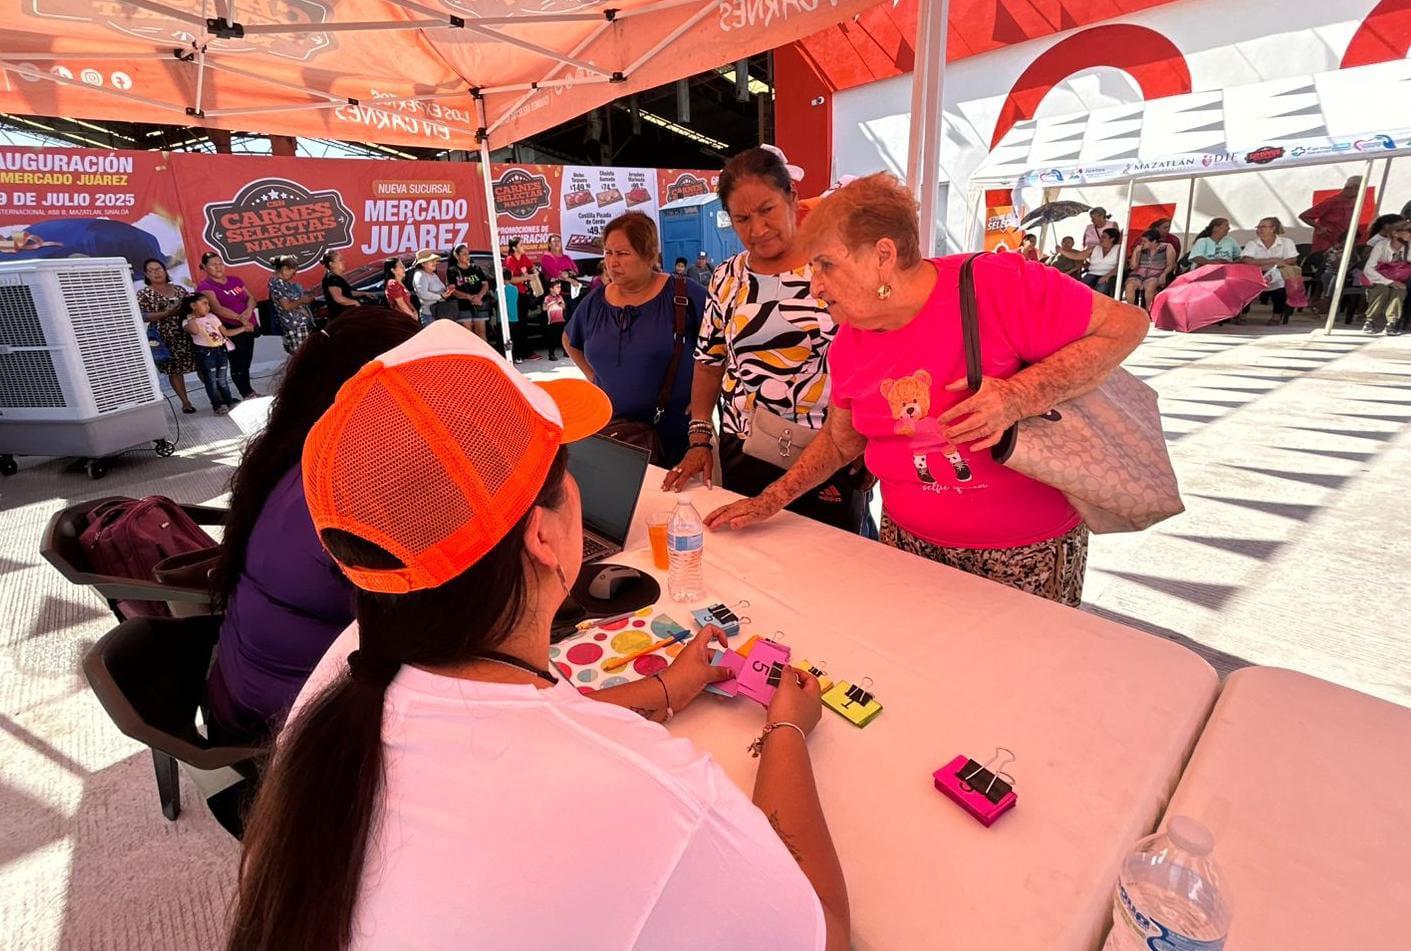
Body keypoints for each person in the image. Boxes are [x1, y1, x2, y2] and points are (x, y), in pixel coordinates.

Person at [225, 320, 850, 951]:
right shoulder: (646, 799)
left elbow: (497, 728)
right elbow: (823, 933)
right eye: (566, 468)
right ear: (544, 536)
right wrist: (788, 730)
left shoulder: (346, 669)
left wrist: (664, 688)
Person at [703, 173, 1149, 606]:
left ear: (882, 256)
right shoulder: (851, 340)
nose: (815, 285)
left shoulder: (996, 284)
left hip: (1022, 554)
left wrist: (1020, 395)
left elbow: (1128, 326)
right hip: (908, 547)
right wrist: (772, 499)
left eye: (826, 265)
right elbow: (842, 441)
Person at [204, 306, 419, 745]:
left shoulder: (293, 450)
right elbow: (422, 620)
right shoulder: (345, 486)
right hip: (288, 721)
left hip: (245, 687)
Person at [663, 145, 868, 533]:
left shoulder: (834, 266)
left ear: (791, 196)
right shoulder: (726, 278)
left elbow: (874, 359)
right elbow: (708, 360)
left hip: (831, 449)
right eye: (741, 218)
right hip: (746, 450)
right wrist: (700, 437)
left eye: (767, 210)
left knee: (835, 567)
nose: (757, 229)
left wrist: (870, 437)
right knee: (753, 561)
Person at [564, 212, 707, 466]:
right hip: (614, 432)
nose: (612, 262)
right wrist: (593, 377)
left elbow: (723, 347)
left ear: (650, 255)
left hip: (674, 435)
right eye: (608, 252)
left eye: (623, 253)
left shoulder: (686, 296)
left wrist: (705, 398)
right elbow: (569, 340)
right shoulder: (595, 301)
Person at [137, 258, 198, 414]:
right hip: (163, 336)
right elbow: (141, 315)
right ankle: (186, 402)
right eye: (151, 270)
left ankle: (216, 397)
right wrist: (165, 313)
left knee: (202, 364)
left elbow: (190, 308)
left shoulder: (179, 289)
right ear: (146, 274)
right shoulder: (144, 294)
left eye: (158, 269)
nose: (156, 273)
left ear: (165, 270)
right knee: (174, 370)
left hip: (186, 333)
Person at [197, 252, 260, 399]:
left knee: (246, 359)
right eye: (213, 265)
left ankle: (248, 390)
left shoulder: (235, 280)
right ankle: (246, 392)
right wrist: (241, 318)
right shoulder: (205, 287)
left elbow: (251, 297)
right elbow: (217, 308)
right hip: (231, 328)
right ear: (205, 267)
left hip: (248, 326)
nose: (218, 267)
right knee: (238, 362)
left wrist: (248, 311)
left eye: (220, 263)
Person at [181, 294, 237, 415]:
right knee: (210, 380)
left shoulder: (212, 316)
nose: (208, 306)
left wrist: (244, 328)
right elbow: (195, 331)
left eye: (208, 303)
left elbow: (226, 332)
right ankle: (217, 405)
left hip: (220, 350)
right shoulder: (187, 321)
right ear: (193, 306)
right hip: (205, 353)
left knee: (222, 379)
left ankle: (229, 401)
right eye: (204, 303)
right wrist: (191, 317)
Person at [1240, 217, 1300, 325]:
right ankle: (1242, 314)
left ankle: (1276, 315)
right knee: (1244, 283)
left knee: (1281, 283)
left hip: (1278, 273)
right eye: (1258, 227)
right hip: (1256, 273)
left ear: (1273, 228)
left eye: (1262, 227)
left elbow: (1291, 260)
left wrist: (1263, 264)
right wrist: (1273, 260)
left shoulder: (1286, 242)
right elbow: (1247, 260)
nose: (1259, 229)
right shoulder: (1253, 243)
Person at [1361, 217, 1410, 336]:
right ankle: (1370, 321)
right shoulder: (1381, 246)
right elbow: (1368, 269)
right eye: (1409, 230)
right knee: (1381, 290)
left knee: (1400, 291)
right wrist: (1388, 282)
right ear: (1395, 233)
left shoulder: (1408, 247)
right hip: (1377, 278)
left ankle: (1391, 323)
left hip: (1397, 279)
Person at [1300, 176, 1362, 256]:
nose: (1360, 193)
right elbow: (1304, 216)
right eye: (1359, 190)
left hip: (1342, 242)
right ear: (1352, 188)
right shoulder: (1332, 201)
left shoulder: (1352, 202)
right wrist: (1320, 228)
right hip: (1327, 243)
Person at [267, 256, 315, 354]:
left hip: (297, 325)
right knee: (303, 355)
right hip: (295, 326)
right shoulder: (278, 284)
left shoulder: (279, 283)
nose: (293, 275)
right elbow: (286, 306)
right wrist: (302, 300)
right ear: (284, 269)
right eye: (292, 272)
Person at [446, 244, 493, 339]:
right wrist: (470, 297)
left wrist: (479, 296)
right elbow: (453, 290)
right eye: (464, 254)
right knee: (468, 335)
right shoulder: (452, 271)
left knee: (481, 333)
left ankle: (483, 353)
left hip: (479, 304)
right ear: (456, 256)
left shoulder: (476, 268)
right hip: (463, 306)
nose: (467, 256)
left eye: (468, 254)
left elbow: (485, 284)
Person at [1123, 229, 1175, 311]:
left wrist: (1164, 275)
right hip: (1138, 274)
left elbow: (1171, 264)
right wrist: (1136, 253)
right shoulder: (1140, 249)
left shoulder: (1167, 247)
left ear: (1154, 241)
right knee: (1130, 286)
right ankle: (1132, 310)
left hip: (1156, 273)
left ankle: (1149, 311)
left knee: (1150, 286)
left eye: (1144, 241)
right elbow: (1133, 267)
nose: (1142, 243)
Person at [320, 250, 368, 323]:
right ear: (331, 264)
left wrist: (364, 293)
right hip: (342, 320)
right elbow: (338, 298)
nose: (343, 262)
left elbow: (347, 293)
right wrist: (355, 302)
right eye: (340, 260)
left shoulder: (334, 278)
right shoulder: (332, 278)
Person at [410, 248, 455, 326]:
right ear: (423, 264)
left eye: (434, 260)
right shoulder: (420, 275)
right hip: (430, 315)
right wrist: (440, 296)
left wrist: (447, 290)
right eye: (431, 261)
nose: (434, 262)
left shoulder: (433, 274)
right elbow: (423, 294)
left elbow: (441, 290)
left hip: (439, 312)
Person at [1074, 227, 1121, 296]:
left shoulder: (1119, 249)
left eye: (1104, 237)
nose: (1101, 239)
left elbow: (1120, 266)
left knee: (1100, 289)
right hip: (1092, 273)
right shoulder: (1095, 248)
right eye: (1101, 237)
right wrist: (1061, 251)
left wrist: (1107, 276)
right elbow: (1078, 255)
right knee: (1079, 288)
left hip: (1109, 275)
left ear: (1112, 239)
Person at [541, 279, 566, 359]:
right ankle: (551, 354)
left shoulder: (560, 297)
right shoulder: (547, 298)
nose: (559, 289)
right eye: (557, 287)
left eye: (560, 287)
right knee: (553, 338)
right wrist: (551, 303)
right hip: (552, 321)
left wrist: (559, 303)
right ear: (551, 289)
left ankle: (566, 352)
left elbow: (564, 306)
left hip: (561, 320)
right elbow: (544, 308)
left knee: (562, 337)